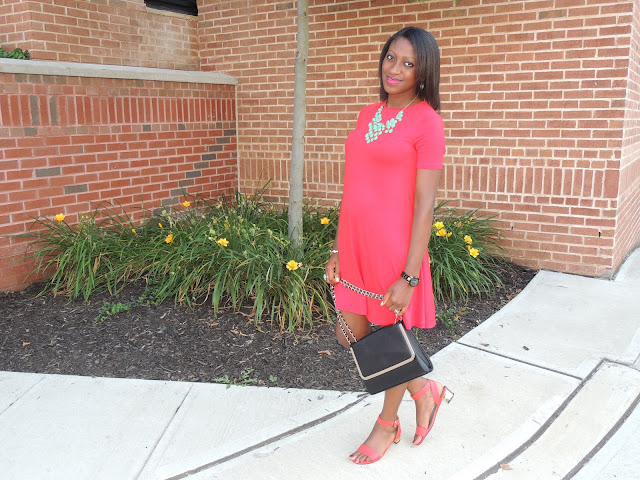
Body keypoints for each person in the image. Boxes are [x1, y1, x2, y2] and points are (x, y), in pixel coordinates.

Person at [324, 26, 453, 465]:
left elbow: (424, 205)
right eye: (391, 57)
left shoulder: (427, 122)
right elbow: (353, 187)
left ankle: (387, 423)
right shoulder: (367, 114)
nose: (394, 69)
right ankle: (425, 389)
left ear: (423, 72)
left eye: (408, 63)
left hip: (394, 251)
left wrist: (409, 276)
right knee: (350, 334)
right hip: (355, 245)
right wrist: (338, 249)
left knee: (390, 335)